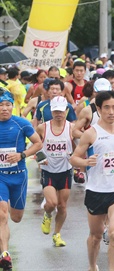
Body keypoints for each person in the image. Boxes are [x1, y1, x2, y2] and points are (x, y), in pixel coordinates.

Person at [70, 91, 114, 271]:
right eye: (106, 107)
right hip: (96, 190)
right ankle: (92, 266)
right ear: (98, 109)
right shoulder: (91, 134)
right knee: (96, 236)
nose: (111, 112)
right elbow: (73, 158)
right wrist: (85, 162)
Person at [0, 89, 43, 270]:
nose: (4, 108)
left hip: (18, 176)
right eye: (0, 105)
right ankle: (5, 254)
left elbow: (38, 143)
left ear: (12, 106)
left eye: (7, 105)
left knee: (16, 218)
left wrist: (22, 155)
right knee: (2, 214)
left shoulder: (21, 123)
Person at [35, 96, 74, 247]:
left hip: (65, 170)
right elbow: (35, 144)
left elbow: (82, 144)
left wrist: (75, 156)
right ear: (51, 111)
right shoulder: (42, 128)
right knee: (52, 203)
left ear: (66, 110)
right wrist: (39, 158)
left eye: (61, 110)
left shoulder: (72, 128)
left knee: (62, 206)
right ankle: (47, 214)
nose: (58, 113)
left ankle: (57, 234)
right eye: (55, 111)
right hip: (48, 170)